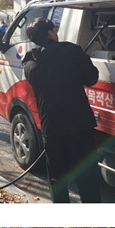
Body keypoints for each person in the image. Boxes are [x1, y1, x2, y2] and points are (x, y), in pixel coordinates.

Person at [23, 17, 101, 203]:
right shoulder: (71, 51)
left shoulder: (29, 63)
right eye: (54, 30)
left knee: (57, 180)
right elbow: (92, 78)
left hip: (52, 129)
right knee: (87, 178)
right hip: (79, 126)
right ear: (50, 33)